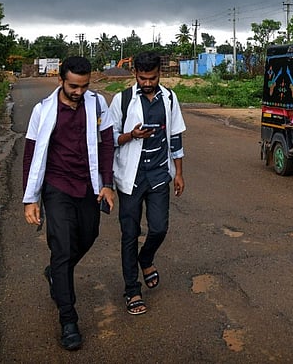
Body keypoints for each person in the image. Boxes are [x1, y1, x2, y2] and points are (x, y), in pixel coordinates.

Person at [22, 56, 116, 351]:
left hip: (88, 184)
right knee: (62, 247)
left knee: (88, 235)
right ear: (60, 80)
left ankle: (56, 273)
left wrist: (107, 183)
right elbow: (30, 153)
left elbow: (108, 144)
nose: (79, 92)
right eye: (73, 86)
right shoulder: (43, 110)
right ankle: (68, 318)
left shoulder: (97, 105)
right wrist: (30, 199)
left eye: (84, 86)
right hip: (56, 186)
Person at [109, 51, 187, 316]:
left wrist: (178, 173)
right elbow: (109, 140)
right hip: (130, 178)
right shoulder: (122, 100)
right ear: (135, 75)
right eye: (142, 78)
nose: (147, 83)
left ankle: (146, 258)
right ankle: (132, 289)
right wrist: (132, 135)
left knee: (159, 228)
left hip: (157, 175)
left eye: (152, 78)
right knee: (129, 234)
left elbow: (175, 137)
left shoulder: (170, 98)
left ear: (159, 74)